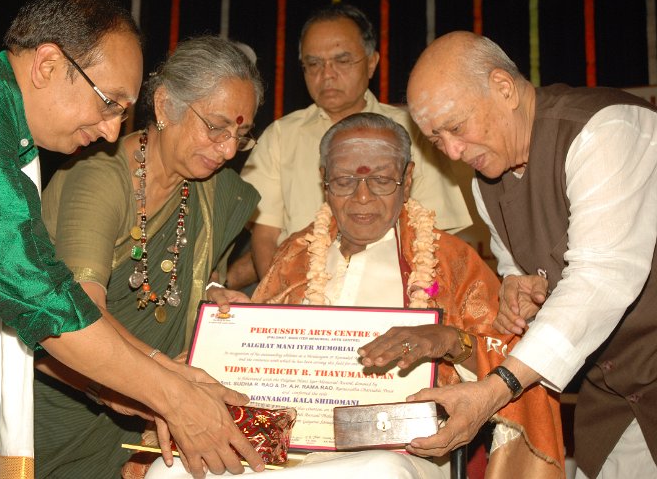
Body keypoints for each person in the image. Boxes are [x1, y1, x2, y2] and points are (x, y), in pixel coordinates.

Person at [0, 0, 263, 478]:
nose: (113, 132)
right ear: (48, 65)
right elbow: (36, 294)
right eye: (109, 102)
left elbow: (9, 316)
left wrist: (135, 385)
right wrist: (176, 398)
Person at [148, 113, 564, 478]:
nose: (362, 198)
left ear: (408, 178)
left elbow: (515, 363)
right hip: (284, 449)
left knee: (378, 472)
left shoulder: (451, 262)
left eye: (381, 180)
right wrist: (237, 325)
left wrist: (451, 341)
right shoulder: (295, 253)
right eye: (345, 181)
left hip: (397, 452)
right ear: (324, 181)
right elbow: (255, 369)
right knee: (170, 471)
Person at [389, 30, 657, 478]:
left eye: (457, 127)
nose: (453, 151)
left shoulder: (606, 129)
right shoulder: (485, 179)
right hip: (614, 397)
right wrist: (519, 288)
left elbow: (601, 279)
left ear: (505, 88)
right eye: (437, 140)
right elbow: (516, 264)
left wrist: (498, 388)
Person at [33, 35, 263, 478]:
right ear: (163, 105)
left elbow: (188, 280)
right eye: (216, 127)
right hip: (64, 401)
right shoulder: (101, 178)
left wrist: (214, 297)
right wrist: (169, 384)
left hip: (155, 407)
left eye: (241, 134)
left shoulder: (209, 190)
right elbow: (79, 314)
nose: (229, 149)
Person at [235, 3, 471, 286]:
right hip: (302, 292)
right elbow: (265, 235)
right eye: (313, 64)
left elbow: (436, 230)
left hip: (394, 289)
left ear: (372, 62)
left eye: (342, 61)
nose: (327, 74)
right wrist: (277, 296)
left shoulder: (413, 129)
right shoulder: (281, 135)